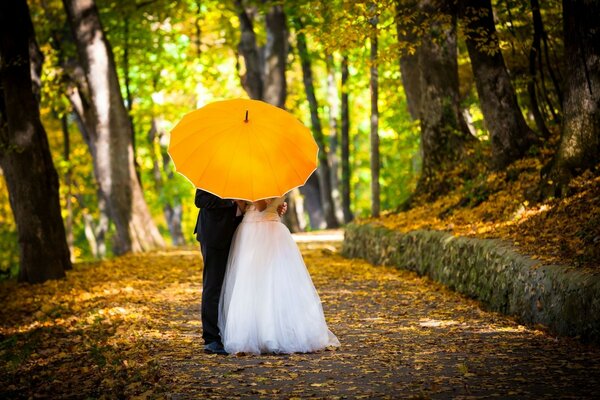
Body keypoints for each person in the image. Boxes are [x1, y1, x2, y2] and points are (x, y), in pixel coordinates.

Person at [218, 196, 340, 355]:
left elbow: (260, 205)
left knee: (263, 282)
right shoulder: (278, 180)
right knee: (264, 282)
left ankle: (268, 335)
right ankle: (266, 331)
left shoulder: (259, 181)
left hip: (259, 231)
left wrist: (240, 197)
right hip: (267, 227)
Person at [194, 189, 287, 354]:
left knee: (234, 286)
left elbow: (255, 204)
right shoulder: (216, 168)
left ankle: (228, 332)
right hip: (215, 233)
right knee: (214, 285)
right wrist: (232, 200)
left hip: (240, 232)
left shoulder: (247, 173)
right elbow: (200, 200)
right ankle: (211, 339)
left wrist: (274, 206)